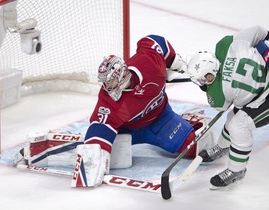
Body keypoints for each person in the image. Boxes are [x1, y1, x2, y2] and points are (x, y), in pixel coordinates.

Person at [71, 34, 213, 188]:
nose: (107, 87)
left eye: (110, 81)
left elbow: (154, 41)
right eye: (105, 82)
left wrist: (175, 62)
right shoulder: (109, 98)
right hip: (129, 131)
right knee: (108, 155)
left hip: (162, 119)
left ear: (120, 75)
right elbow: (100, 125)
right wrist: (94, 151)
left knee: (194, 149)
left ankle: (187, 121)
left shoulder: (148, 63)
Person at [186, 25, 269, 190]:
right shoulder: (227, 44)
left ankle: (237, 171)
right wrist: (268, 47)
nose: (203, 83)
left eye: (203, 79)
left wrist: (205, 87)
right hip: (266, 83)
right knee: (232, 117)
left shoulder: (218, 93)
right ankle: (223, 147)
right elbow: (258, 30)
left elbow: (219, 105)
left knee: (238, 124)